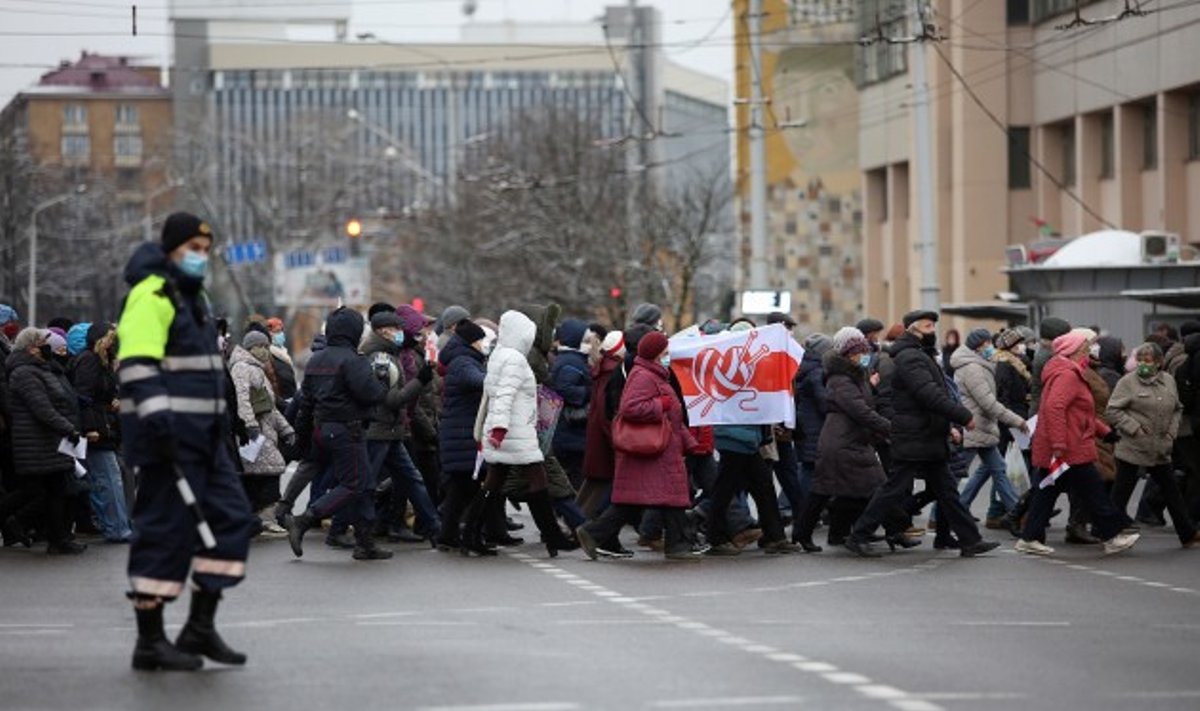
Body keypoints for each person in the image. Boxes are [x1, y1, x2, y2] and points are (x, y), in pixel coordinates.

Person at [116, 212, 258, 671]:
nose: (201, 257)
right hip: (167, 442)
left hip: (205, 443)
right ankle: (150, 640)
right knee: (164, 534)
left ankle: (199, 625)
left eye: (205, 249)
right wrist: (161, 424)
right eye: (193, 249)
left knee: (233, 521)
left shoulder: (192, 297)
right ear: (172, 248)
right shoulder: (152, 293)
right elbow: (137, 365)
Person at [844, 310, 999, 558]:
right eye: (928, 326)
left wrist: (949, 424)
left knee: (947, 490)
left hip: (926, 435)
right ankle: (859, 534)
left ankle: (970, 540)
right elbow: (927, 393)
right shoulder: (909, 358)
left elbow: (935, 393)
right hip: (915, 435)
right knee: (894, 489)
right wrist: (962, 416)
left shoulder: (918, 355)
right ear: (913, 329)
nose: (933, 331)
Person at [575, 331, 709, 561]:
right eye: (665, 352)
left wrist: (688, 442)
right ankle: (677, 545)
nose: (668, 356)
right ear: (656, 354)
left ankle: (595, 533)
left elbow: (673, 419)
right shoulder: (643, 376)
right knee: (663, 498)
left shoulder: (656, 374)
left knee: (658, 499)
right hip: (654, 453)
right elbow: (631, 408)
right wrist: (661, 403)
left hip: (662, 451)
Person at [460, 310, 575, 557]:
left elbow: (493, 394)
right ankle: (554, 537)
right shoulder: (514, 359)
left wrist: (491, 428)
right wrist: (500, 429)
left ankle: (470, 534)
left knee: (493, 482)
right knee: (538, 480)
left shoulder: (499, 355)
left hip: (504, 432)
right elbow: (504, 395)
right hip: (514, 433)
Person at [1015, 330, 1139, 556]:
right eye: (1086, 347)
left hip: (1063, 446)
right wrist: (1059, 444)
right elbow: (1055, 408)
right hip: (1068, 448)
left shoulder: (1069, 371)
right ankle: (1112, 536)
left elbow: (1080, 413)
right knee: (1094, 492)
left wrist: (1104, 432)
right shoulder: (1068, 375)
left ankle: (1030, 537)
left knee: (1046, 492)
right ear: (1073, 351)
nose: (1090, 351)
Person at [286, 306, 392, 561]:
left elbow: (306, 403)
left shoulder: (317, 359)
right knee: (354, 484)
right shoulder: (352, 360)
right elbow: (373, 394)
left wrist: (302, 439)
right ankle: (304, 520)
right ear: (354, 331)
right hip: (348, 429)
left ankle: (365, 544)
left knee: (365, 485)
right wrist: (381, 378)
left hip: (323, 428)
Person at [793, 327, 896, 553]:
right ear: (849, 355)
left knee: (851, 489)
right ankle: (805, 533)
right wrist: (890, 428)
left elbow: (867, 405)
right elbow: (860, 410)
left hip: (851, 440)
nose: (865, 356)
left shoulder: (856, 376)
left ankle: (842, 532)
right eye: (860, 352)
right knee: (827, 491)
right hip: (840, 442)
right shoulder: (840, 379)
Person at [355, 309, 440, 548]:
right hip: (379, 430)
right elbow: (391, 399)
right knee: (367, 484)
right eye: (397, 329)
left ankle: (435, 528)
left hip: (390, 430)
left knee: (412, 480)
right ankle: (354, 532)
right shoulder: (378, 358)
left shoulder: (388, 353)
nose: (401, 334)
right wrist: (420, 381)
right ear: (384, 331)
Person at [0, 327, 85, 554]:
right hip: (36, 441)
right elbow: (42, 408)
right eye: (42, 344)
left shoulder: (39, 369)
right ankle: (57, 540)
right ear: (31, 348)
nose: (47, 348)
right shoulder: (24, 373)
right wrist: (68, 428)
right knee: (35, 490)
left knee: (52, 489)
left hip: (47, 440)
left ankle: (58, 540)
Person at [1106, 343, 1200, 547]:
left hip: (1160, 448)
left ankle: (1188, 533)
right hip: (1133, 447)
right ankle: (1107, 531)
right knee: (1121, 492)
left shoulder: (1168, 381)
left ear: (1158, 363)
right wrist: (1134, 428)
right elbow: (1113, 411)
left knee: (1172, 492)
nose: (1142, 365)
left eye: (1147, 361)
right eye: (1139, 360)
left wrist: (1171, 432)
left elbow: (1177, 408)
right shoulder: (1127, 382)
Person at [951, 328, 1028, 522]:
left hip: (981, 426)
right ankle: (941, 515)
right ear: (980, 346)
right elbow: (987, 402)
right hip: (973, 427)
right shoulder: (973, 368)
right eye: (987, 344)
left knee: (999, 469)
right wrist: (1016, 420)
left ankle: (1016, 513)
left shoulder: (979, 364)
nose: (991, 348)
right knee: (956, 476)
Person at [71, 321, 132, 542]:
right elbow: (83, 397)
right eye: (110, 337)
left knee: (108, 480)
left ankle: (118, 526)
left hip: (102, 425)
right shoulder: (89, 361)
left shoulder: (99, 361)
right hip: (96, 429)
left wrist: (111, 401)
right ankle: (117, 528)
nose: (113, 341)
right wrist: (89, 428)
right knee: (108, 480)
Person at [228, 331, 294, 536]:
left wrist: (286, 429)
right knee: (268, 472)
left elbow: (271, 407)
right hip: (254, 434)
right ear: (250, 348)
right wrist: (249, 424)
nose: (266, 351)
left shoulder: (257, 369)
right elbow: (241, 399)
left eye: (267, 346)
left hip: (264, 432)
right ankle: (264, 519)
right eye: (261, 347)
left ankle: (255, 519)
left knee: (259, 475)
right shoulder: (242, 368)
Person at [435, 319, 490, 550]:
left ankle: (448, 535)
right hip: (463, 435)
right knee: (470, 487)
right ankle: (466, 535)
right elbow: (479, 381)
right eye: (480, 340)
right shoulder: (463, 362)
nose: (483, 345)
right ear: (471, 341)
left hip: (460, 433)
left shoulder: (463, 359)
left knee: (461, 490)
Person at [577, 329, 625, 520]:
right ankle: (580, 523)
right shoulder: (612, 372)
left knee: (594, 482)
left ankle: (574, 519)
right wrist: (615, 439)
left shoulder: (602, 367)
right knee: (601, 484)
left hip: (596, 433)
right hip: (604, 436)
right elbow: (608, 409)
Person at [549, 317, 592, 491]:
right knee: (574, 473)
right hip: (571, 430)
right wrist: (589, 392)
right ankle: (572, 512)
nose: (589, 345)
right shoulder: (571, 362)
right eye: (586, 341)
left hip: (569, 431)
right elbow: (565, 389)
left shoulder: (570, 359)